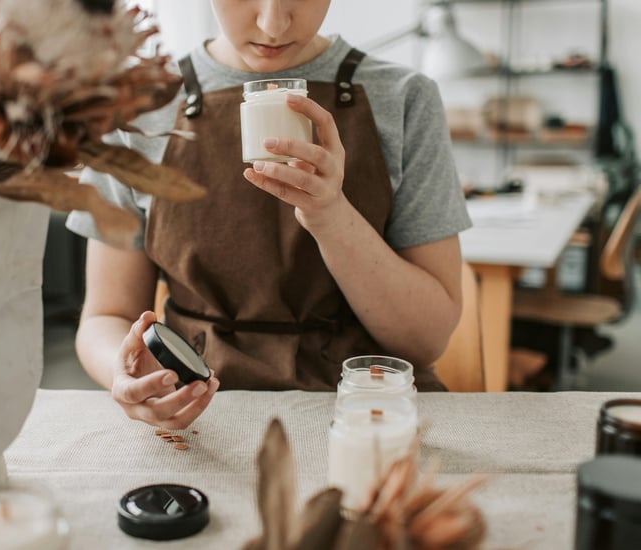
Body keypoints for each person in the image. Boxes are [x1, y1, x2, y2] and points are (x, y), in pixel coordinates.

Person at [66, 0, 472, 429]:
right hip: (201, 414)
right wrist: (125, 372)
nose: (273, 24)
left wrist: (332, 217)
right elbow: (105, 317)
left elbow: (425, 341)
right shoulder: (135, 111)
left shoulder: (405, 98)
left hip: (365, 413)